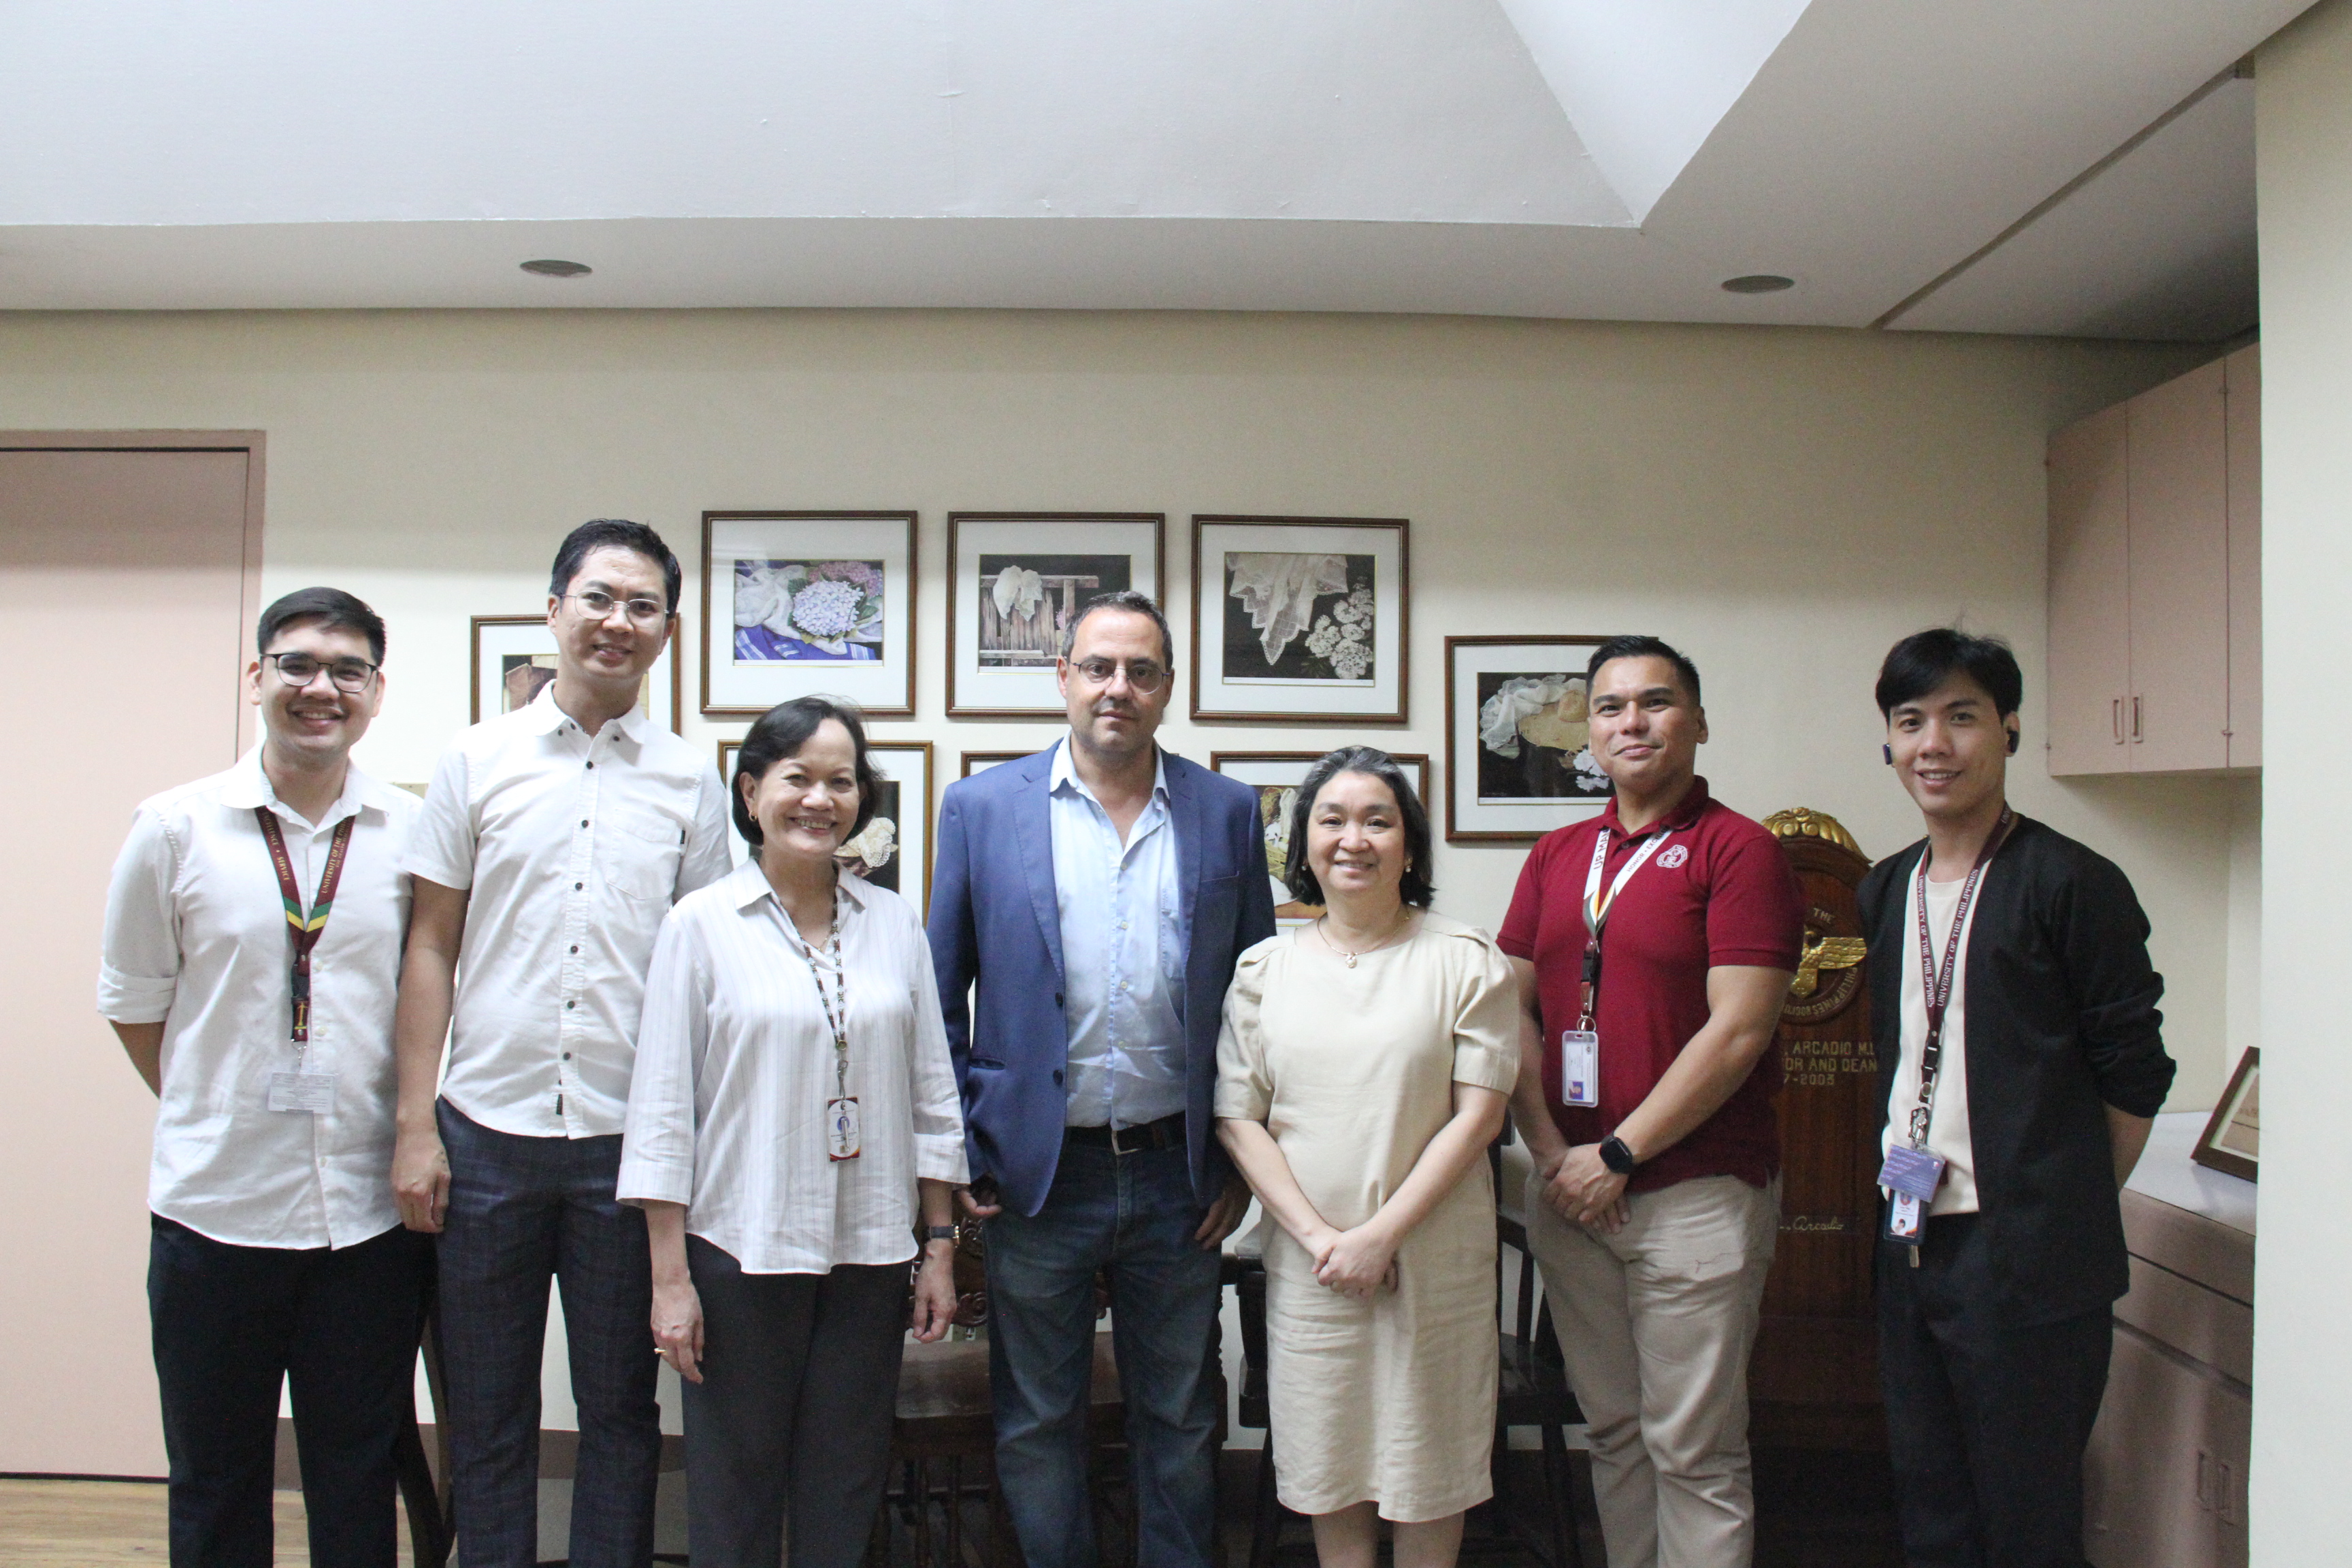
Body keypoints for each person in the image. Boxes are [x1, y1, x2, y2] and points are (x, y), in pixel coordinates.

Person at [391, 520, 732, 1568]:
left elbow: (704, 975)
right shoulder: (474, 759)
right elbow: (431, 943)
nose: (617, 622)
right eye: (598, 598)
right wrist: (415, 1126)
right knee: (488, 1415)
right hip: (483, 1136)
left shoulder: (690, 781)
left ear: (667, 631)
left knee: (621, 1412)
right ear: (554, 610)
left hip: (625, 1149)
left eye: (642, 606)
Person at [926, 589, 1278, 1568]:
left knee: (1181, 1414)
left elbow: (1257, 1001)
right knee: (1039, 1418)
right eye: (1099, 667)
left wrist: (1238, 1165)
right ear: (1063, 678)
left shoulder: (1227, 812)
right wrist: (963, 1147)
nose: (1118, 687)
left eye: (1141, 671)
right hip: (1036, 1176)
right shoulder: (982, 809)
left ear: (1168, 687)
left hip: (1179, 1177)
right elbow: (938, 996)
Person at [98, 587, 431, 1568]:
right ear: (258, 677)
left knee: (357, 1475)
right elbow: (133, 1001)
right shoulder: (174, 827)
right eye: (298, 665)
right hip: (214, 1213)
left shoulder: (412, 834)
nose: (322, 687)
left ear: (376, 692)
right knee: (216, 1479)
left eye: (347, 670)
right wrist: (214, 1107)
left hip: (365, 1220)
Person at [617, 697, 968, 1568]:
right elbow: (661, 1112)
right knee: (734, 1492)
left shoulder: (893, 922)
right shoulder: (699, 925)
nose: (820, 799)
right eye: (797, 778)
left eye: (841, 782)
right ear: (750, 793)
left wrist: (938, 1247)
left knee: (845, 1485)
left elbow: (932, 1093)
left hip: (868, 1251)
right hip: (741, 1249)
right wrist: (670, 1282)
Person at [1860, 628, 2172, 1568]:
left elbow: (2135, 1071)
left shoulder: (2070, 882)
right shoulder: (1886, 888)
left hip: (2029, 1258)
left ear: (2009, 730)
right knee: (1930, 1502)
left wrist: (2060, 1203)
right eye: (1911, 721)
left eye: (1961, 717)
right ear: (1889, 742)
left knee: (2028, 1518)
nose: (1934, 744)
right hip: (1912, 1238)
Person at [1499, 634, 1802, 1568]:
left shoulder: (1740, 851)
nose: (1632, 722)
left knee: (1694, 1450)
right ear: (1589, 732)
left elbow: (1739, 1032)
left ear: (1698, 722)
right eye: (1610, 707)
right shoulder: (1557, 855)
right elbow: (1509, 1010)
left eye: (1656, 702)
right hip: (1571, 1194)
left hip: (1693, 1194)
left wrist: (1619, 1154)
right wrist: (1554, 1153)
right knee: (1616, 1432)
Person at [1215, 747, 1517, 1568]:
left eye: (1378, 821)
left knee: (1431, 1470)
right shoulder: (1265, 969)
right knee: (1331, 1467)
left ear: (1409, 845)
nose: (1354, 839)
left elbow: (1479, 1118)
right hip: (1312, 1270)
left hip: (1432, 1264)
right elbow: (1239, 1119)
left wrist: (1380, 1237)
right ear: (1305, 845)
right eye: (1333, 820)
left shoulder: (1466, 959)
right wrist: (1325, 1241)